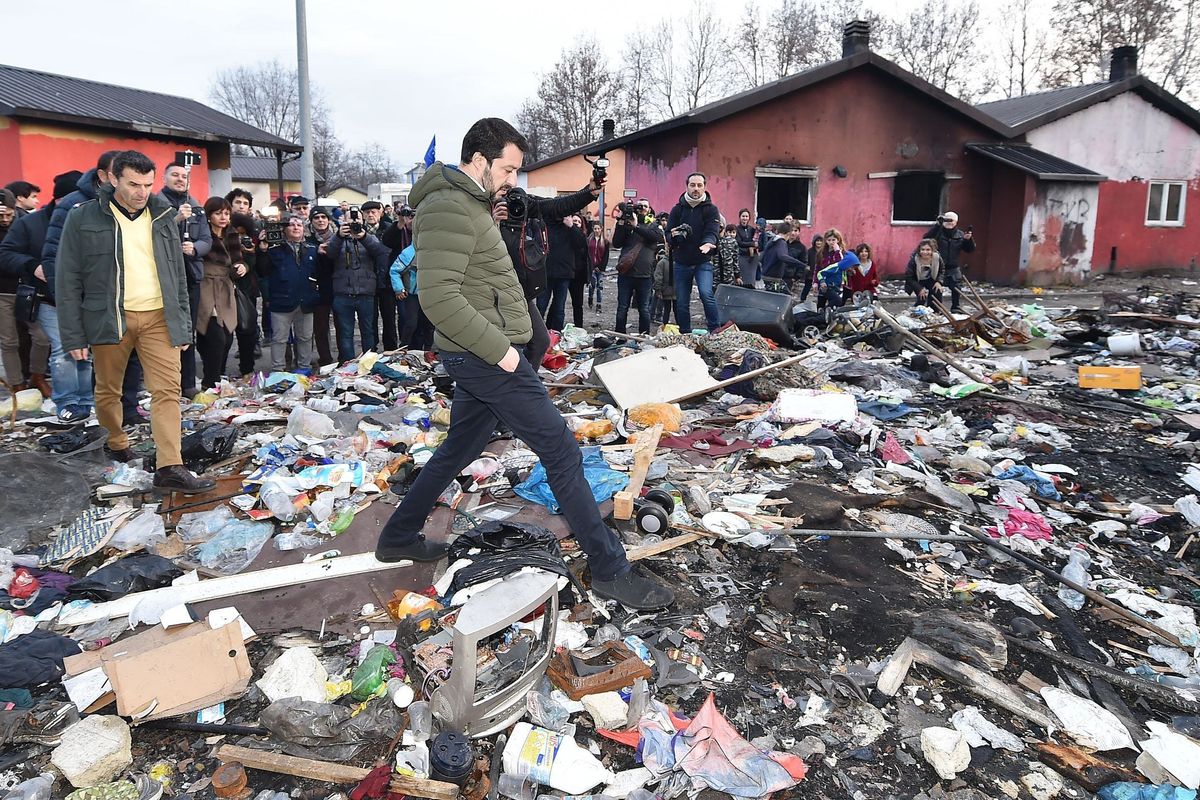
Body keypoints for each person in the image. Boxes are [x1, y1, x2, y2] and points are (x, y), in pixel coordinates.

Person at [374, 117, 672, 611]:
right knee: (560, 449)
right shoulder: (449, 206)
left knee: (459, 448)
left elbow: (487, 277)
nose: (512, 180)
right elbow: (440, 298)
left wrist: (528, 332)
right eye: (509, 169)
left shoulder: (468, 202)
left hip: (483, 355)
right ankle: (610, 569)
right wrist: (506, 351)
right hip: (485, 358)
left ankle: (399, 534)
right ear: (479, 160)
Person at [55, 150, 214, 493]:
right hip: (109, 317)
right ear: (112, 179)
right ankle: (115, 438)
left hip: (159, 317)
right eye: (133, 184)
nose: (142, 192)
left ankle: (170, 466)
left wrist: (182, 323)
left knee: (167, 391)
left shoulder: (163, 215)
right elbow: (67, 279)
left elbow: (176, 274)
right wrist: (73, 336)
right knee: (108, 391)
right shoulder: (82, 219)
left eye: (147, 184)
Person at [38, 152, 122, 421]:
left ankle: (84, 403)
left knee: (85, 352)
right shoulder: (74, 204)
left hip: (97, 296)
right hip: (66, 296)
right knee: (66, 349)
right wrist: (62, 295)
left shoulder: (120, 203)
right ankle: (66, 403)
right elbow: (53, 253)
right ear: (103, 175)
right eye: (118, 172)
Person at [0, 172, 80, 397]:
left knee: (49, 341)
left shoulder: (83, 220)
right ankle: (19, 384)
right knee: (12, 341)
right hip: (21, 293)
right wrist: (32, 265)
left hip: (62, 295)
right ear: (60, 200)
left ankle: (40, 377)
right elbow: (6, 254)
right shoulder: (30, 223)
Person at [159, 162, 212, 398]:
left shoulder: (197, 207)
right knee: (164, 332)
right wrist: (177, 219)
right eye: (175, 175)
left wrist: (195, 248)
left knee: (187, 332)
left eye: (184, 176)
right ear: (164, 177)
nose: (180, 179)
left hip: (191, 275)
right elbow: (152, 234)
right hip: (164, 276)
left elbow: (206, 240)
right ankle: (166, 383)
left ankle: (188, 383)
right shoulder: (156, 204)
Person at [194, 197, 248, 388]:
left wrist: (242, 267)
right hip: (206, 285)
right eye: (218, 213)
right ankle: (211, 380)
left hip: (226, 286)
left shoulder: (232, 234)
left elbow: (238, 260)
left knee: (227, 336)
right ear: (209, 216)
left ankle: (216, 375)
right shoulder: (202, 235)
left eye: (226, 213)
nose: (223, 217)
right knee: (214, 335)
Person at [256, 215, 318, 371]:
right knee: (279, 339)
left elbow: (321, 272)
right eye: (291, 225)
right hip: (281, 300)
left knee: (305, 337)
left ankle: (304, 368)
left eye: (299, 224)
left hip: (306, 300)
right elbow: (262, 272)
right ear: (284, 229)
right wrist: (262, 250)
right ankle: (278, 369)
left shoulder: (312, 249)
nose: (296, 227)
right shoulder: (274, 250)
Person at [329, 214, 388, 362]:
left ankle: (369, 363)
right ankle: (348, 364)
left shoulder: (369, 237)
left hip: (365, 292)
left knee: (368, 331)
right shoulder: (338, 238)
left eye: (357, 220)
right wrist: (338, 236)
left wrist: (363, 237)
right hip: (342, 291)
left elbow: (380, 252)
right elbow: (330, 254)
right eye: (350, 220)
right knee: (345, 332)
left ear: (362, 222)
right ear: (344, 221)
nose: (354, 223)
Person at [667, 173, 721, 331]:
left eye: (699, 185)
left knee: (706, 294)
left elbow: (713, 231)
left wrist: (709, 243)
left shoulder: (711, 209)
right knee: (682, 302)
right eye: (692, 185)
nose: (696, 189)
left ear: (704, 187)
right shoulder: (677, 209)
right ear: (687, 186)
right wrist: (673, 236)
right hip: (682, 262)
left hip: (702, 261)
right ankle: (685, 334)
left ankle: (715, 331)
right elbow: (668, 233)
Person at [611, 205, 663, 335]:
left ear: (649, 210)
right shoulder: (627, 224)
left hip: (644, 275)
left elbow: (654, 238)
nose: (641, 208)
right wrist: (620, 222)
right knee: (622, 307)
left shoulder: (654, 225)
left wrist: (636, 227)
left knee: (644, 309)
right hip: (626, 274)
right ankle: (620, 336)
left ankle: (644, 335)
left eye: (645, 206)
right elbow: (616, 243)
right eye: (639, 205)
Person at [538, 214, 587, 332]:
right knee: (541, 307)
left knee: (559, 309)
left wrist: (571, 226)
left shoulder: (570, 228)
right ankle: (537, 335)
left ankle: (556, 335)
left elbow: (581, 243)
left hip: (564, 274)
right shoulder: (546, 225)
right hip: (546, 273)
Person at [922, 211, 975, 312]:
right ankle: (935, 309)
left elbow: (969, 250)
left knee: (956, 287)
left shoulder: (960, 235)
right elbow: (926, 239)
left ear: (956, 222)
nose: (948, 223)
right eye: (946, 220)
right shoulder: (938, 232)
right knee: (935, 288)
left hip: (953, 267)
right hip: (937, 266)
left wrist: (969, 240)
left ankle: (956, 307)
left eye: (951, 220)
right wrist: (938, 225)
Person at [229, 212, 261, 376]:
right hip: (225, 290)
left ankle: (247, 368)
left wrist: (250, 253)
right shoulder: (223, 242)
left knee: (247, 331)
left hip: (247, 290)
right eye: (237, 234)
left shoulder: (251, 243)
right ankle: (218, 371)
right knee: (225, 334)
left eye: (244, 234)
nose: (241, 238)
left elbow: (255, 267)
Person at [306, 207, 336, 365]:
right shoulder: (307, 240)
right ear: (311, 221)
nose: (320, 220)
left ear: (329, 220)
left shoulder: (339, 236)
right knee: (320, 327)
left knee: (342, 327)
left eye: (323, 217)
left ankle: (345, 358)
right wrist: (315, 252)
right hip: (318, 287)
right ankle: (326, 359)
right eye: (316, 217)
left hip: (339, 286)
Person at [760, 222, 806, 293]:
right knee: (785, 297)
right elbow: (783, 256)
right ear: (788, 234)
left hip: (765, 276)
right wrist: (802, 265)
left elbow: (761, 257)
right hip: (774, 279)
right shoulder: (781, 242)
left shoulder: (772, 240)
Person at [905, 239, 945, 307]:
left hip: (931, 278)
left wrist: (939, 282)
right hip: (917, 280)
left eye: (928, 250)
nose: (925, 252)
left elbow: (942, 270)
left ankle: (935, 311)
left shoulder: (937, 258)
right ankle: (917, 310)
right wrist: (919, 288)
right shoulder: (914, 260)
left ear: (932, 250)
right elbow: (909, 277)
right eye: (922, 249)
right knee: (922, 298)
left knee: (937, 291)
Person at [586, 221, 608, 314]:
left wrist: (601, 267)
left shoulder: (605, 242)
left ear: (601, 229)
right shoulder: (589, 240)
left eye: (598, 228)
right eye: (595, 228)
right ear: (593, 229)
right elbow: (587, 254)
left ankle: (599, 304)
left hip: (600, 267)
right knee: (592, 285)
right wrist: (591, 266)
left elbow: (606, 256)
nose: (597, 230)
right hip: (591, 267)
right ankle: (590, 298)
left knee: (600, 286)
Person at [735, 209, 759, 286]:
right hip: (741, 256)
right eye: (743, 216)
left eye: (746, 216)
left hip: (752, 258)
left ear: (749, 218)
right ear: (739, 217)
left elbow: (758, 241)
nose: (745, 218)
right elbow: (739, 242)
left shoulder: (752, 229)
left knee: (751, 279)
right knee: (743, 279)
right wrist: (752, 244)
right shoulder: (736, 229)